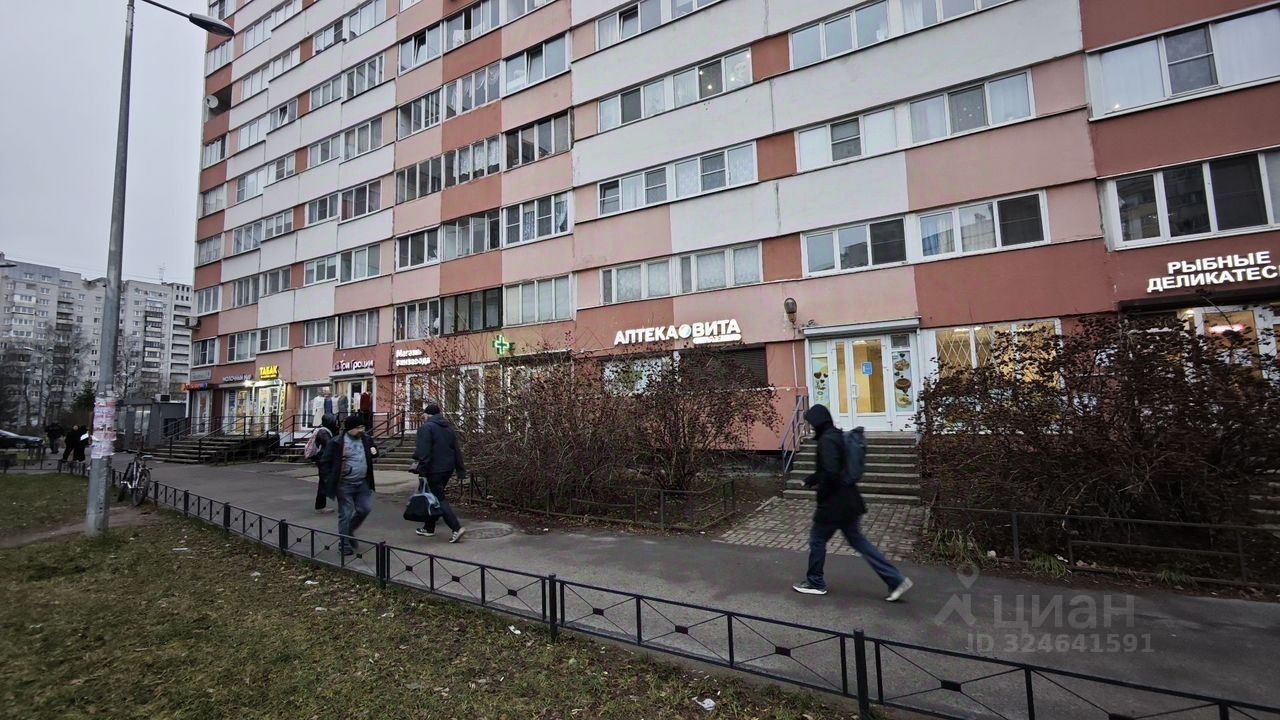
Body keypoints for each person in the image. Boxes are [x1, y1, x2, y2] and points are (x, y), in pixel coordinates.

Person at [792, 404, 912, 602]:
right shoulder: (835, 436)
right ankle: (896, 580)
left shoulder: (827, 440)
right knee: (859, 542)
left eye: (812, 423)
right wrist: (810, 479)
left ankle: (815, 582)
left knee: (817, 539)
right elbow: (832, 468)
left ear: (818, 422)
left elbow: (831, 473)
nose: (811, 426)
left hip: (834, 504)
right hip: (849, 501)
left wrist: (823, 495)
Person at [321, 415, 376, 556]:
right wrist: (329, 480)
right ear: (350, 429)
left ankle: (349, 530)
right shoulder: (337, 442)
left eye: (363, 427)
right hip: (344, 484)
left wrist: (374, 451)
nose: (361, 430)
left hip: (362, 483)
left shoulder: (366, 439)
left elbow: (373, 452)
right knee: (345, 514)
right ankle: (344, 544)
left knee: (365, 509)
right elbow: (325, 462)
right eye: (358, 428)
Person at [411, 403, 466, 542]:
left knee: (438, 498)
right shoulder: (448, 428)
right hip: (447, 468)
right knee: (433, 496)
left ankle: (456, 528)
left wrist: (422, 470)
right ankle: (429, 528)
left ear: (427, 415)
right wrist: (460, 470)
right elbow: (456, 450)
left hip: (433, 469)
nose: (423, 417)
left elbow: (423, 451)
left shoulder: (426, 428)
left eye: (424, 415)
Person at [310, 414, 339, 513]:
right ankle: (320, 506)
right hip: (323, 460)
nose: (336, 423)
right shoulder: (323, 432)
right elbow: (330, 444)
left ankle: (320, 506)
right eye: (334, 421)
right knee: (324, 482)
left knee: (325, 482)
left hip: (324, 459)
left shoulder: (325, 431)